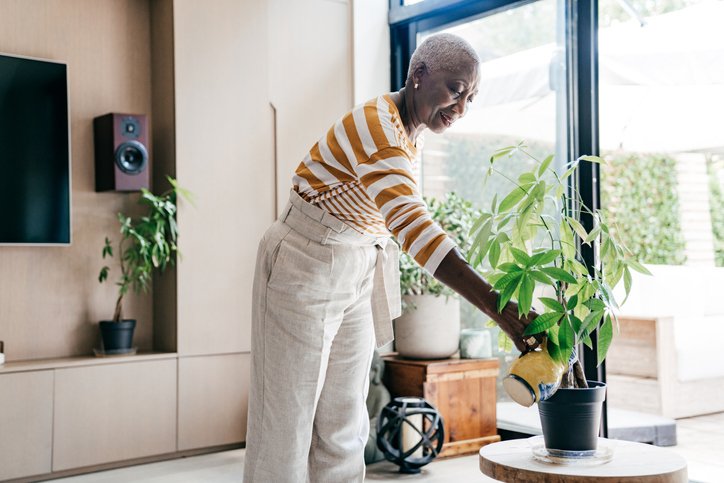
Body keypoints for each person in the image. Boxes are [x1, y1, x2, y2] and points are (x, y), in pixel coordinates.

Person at [243, 33, 540, 483]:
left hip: (357, 263)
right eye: (456, 91)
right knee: (285, 424)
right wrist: (501, 310)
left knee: (344, 424)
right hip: (304, 261)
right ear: (418, 75)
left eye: (470, 97)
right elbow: (414, 228)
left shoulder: (410, 132)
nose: (461, 108)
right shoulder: (379, 127)